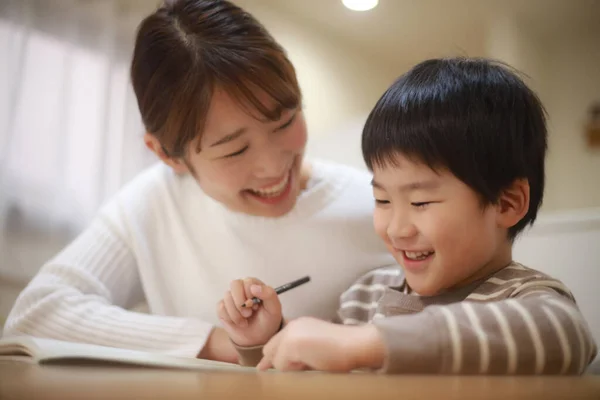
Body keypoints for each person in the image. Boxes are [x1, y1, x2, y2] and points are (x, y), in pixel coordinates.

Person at [2, 0, 394, 362]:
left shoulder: (379, 206)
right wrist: (231, 344)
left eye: (286, 121)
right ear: (167, 155)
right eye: (234, 150)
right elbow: (38, 313)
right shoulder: (155, 203)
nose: (273, 166)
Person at [217, 57, 598, 374]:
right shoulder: (364, 298)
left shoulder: (525, 298)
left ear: (507, 203)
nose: (396, 228)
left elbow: (565, 336)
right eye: (382, 201)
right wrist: (263, 341)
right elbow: (309, 376)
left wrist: (368, 343)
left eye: (420, 203)